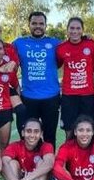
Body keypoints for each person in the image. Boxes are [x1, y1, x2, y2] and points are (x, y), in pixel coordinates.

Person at [12, 12, 61, 147]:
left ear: (45, 25)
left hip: (51, 97)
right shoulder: (18, 43)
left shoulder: (56, 43)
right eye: (34, 23)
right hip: (28, 97)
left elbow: (73, 50)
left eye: (41, 23)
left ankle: (49, 166)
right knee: (28, 135)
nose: (37, 26)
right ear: (29, 25)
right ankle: (28, 165)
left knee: (50, 135)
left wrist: (86, 39)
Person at [56, 17, 94, 139]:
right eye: (72, 28)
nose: (75, 31)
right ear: (67, 30)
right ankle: (70, 156)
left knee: (88, 129)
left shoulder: (91, 44)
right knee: (69, 130)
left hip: (87, 95)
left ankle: (90, 156)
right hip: (69, 95)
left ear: (82, 30)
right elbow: (57, 65)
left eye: (78, 28)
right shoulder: (61, 48)